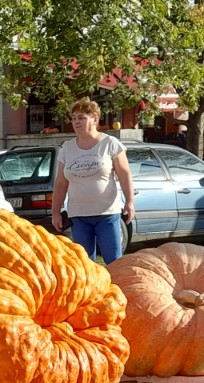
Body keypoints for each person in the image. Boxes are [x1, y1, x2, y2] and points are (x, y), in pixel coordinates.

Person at [51, 97, 135, 265]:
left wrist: (130, 202)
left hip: (107, 214)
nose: (76, 122)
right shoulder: (67, 148)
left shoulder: (109, 143)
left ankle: (118, 290)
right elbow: (61, 183)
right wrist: (55, 212)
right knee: (84, 263)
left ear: (95, 119)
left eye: (81, 117)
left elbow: (125, 174)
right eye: (73, 118)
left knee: (114, 261)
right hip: (79, 215)